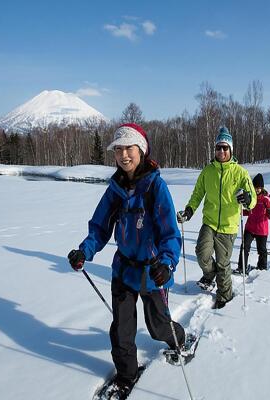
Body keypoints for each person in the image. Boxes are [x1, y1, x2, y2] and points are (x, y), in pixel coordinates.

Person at [67, 123, 186, 397]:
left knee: (158, 327)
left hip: (153, 272)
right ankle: (126, 375)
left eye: (128, 148)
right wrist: (84, 251)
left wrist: (167, 264)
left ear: (141, 150)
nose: (123, 155)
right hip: (123, 271)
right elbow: (99, 227)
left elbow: (170, 232)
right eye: (118, 150)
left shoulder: (156, 187)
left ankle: (179, 339)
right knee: (121, 330)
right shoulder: (115, 189)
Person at [177, 126, 256, 309]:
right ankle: (209, 274)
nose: (221, 151)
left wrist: (248, 199)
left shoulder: (240, 173)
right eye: (218, 147)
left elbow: (252, 199)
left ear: (231, 150)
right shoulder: (208, 171)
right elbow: (197, 194)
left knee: (223, 263)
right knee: (201, 254)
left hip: (228, 226)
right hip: (209, 222)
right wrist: (189, 210)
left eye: (225, 148)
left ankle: (224, 296)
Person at [233, 173, 270, 274]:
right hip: (250, 228)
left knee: (262, 250)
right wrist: (240, 210)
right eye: (255, 187)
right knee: (244, 247)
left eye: (259, 188)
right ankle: (242, 267)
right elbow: (248, 211)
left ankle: (262, 267)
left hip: (261, 229)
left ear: (262, 188)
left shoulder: (266, 199)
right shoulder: (251, 198)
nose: (256, 190)